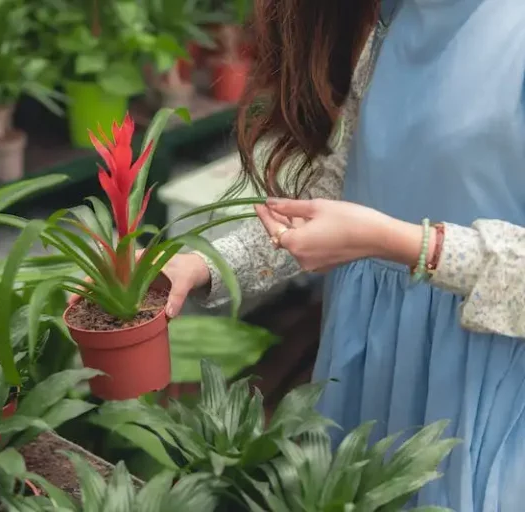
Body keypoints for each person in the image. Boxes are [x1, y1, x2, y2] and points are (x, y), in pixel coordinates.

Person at [157, 0, 525, 510]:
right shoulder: (395, 22)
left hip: (477, 379)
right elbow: (336, 194)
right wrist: (202, 265)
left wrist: (406, 244)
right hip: (366, 358)